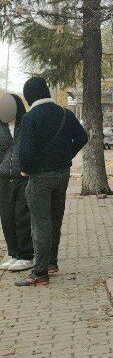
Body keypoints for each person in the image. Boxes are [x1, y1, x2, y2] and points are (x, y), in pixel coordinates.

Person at [15, 76, 88, 286]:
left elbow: (26, 153)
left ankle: (39, 272)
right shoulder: (65, 114)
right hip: (62, 174)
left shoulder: (30, 118)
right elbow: (82, 137)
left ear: (28, 96)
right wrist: (66, 156)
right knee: (55, 219)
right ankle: (51, 263)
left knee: (40, 223)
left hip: (39, 178)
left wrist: (25, 170)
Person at [0, 93, 33, 272]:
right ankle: (14, 253)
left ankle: (26, 256)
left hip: (23, 177)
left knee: (22, 217)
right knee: (7, 217)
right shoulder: (1, 127)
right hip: (4, 178)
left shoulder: (26, 125)